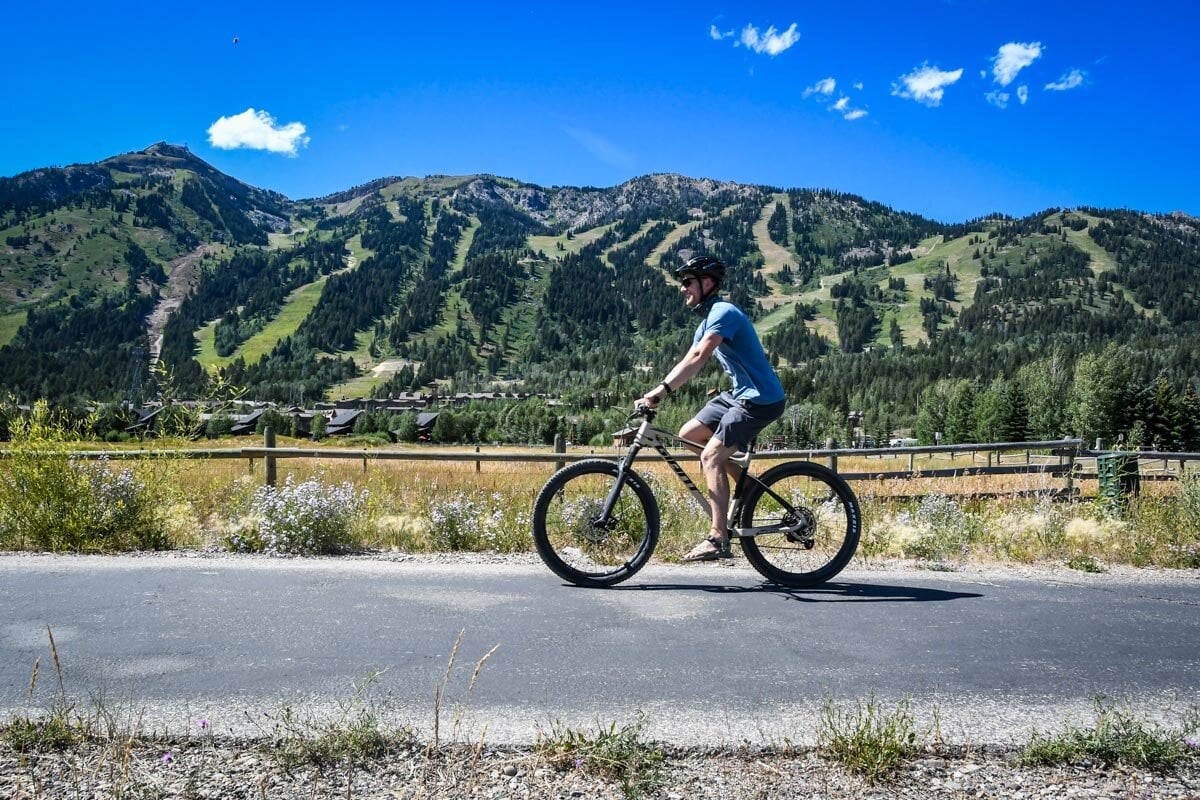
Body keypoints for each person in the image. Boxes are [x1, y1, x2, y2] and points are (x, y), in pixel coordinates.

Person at [638, 255, 786, 561]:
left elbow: (699, 358)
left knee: (710, 455)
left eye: (688, 282)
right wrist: (662, 389)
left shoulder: (724, 312)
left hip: (760, 399)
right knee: (689, 433)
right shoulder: (707, 320)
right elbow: (691, 357)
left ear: (707, 283)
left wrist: (660, 391)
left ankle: (718, 538)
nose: (682, 288)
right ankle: (743, 484)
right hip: (739, 395)